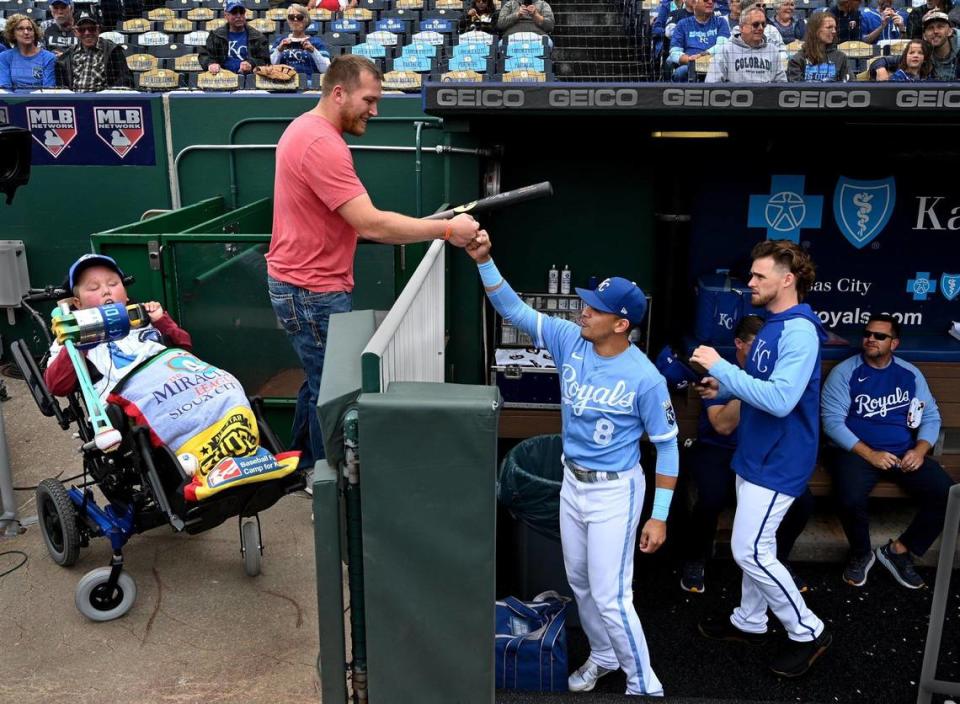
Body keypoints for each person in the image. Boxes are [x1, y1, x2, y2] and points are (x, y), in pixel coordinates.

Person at [466, 231, 679, 697]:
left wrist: (659, 516)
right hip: (573, 483)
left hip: (615, 491)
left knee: (611, 596)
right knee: (580, 585)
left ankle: (645, 685)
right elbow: (514, 311)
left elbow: (667, 447)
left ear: (621, 324)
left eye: (596, 308)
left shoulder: (645, 377)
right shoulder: (570, 341)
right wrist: (484, 260)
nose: (583, 310)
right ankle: (604, 656)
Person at [265, 55, 479, 477]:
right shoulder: (321, 143)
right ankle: (325, 482)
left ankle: (301, 466)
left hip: (303, 285)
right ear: (339, 92)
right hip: (311, 291)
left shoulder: (307, 130)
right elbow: (371, 223)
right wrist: (447, 230)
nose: (375, 111)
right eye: (370, 99)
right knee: (335, 394)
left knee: (317, 381)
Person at [690, 239, 831, 679]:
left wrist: (720, 367)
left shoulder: (800, 331)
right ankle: (749, 621)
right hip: (755, 453)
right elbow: (760, 381)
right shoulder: (774, 323)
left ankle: (809, 631)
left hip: (780, 460)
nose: (749, 282)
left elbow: (782, 400)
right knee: (758, 548)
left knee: (749, 549)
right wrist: (727, 388)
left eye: (758, 276)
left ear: (787, 280)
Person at [677, 315, 814, 594]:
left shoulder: (779, 376)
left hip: (761, 453)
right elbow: (722, 425)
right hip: (719, 449)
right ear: (739, 344)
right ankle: (696, 558)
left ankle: (778, 560)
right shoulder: (720, 371)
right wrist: (750, 388)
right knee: (710, 498)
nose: (764, 354)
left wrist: (763, 388)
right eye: (757, 346)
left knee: (803, 502)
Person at [821, 315, 954, 590]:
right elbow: (832, 421)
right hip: (856, 452)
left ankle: (899, 551)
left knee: (949, 495)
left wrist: (919, 449)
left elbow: (930, 416)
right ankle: (861, 553)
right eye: (867, 333)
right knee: (849, 497)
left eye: (880, 336)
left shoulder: (909, 373)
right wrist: (870, 454)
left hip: (903, 451)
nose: (870, 339)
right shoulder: (846, 372)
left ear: (894, 343)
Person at [43, 254, 192, 400]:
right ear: (78, 303)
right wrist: (76, 345)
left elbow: (185, 347)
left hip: (178, 384)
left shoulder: (145, 317)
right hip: (130, 405)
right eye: (94, 288)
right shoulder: (72, 336)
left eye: (113, 284)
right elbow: (57, 387)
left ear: (126, 295)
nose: (106, 291)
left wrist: (161, 321)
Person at [54, 9, 133, 91]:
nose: (87, 33)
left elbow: (125, 81)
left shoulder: (113, 51)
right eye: (82, 30)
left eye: (91, 28)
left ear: (98, 29)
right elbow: (62, 87)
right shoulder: (67, 56)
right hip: (75, 100)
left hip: (103, 101)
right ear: (75, 32)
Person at [706, 4, 787, 82]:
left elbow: (782, 84)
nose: (761, 28)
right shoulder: (726, 50)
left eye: (763, 24)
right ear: (741, 28)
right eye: (755, 25)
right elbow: (712, 84)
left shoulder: (772, 51)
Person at [199, 0, 270, 76]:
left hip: (250, 79)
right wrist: (211, 64)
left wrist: (251, 63)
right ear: (226, 15)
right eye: (234, 12)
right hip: (222, 78)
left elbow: (265, 60)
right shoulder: (215, 35)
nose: (239, 16)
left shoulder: (258, 37)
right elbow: (204, 55)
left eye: (241, 12)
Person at [668, 0, 731, 81]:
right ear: (694, 4)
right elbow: (674, 52)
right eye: (705, 0)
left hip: (714, 64)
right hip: (690, 65)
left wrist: (702, 56)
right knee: (681, 72)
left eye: (713, 0)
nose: (710, 2)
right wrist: (691, 60)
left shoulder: (721, 22)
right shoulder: (682, 24)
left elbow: (723, 46)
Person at [270, 4, 330, 78]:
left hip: (309, 84)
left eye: (299, 17)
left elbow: (326, 69)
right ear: (288, 21)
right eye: (291, 17)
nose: (295, 20)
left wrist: (313, 51)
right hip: (283, 84)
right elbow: (270, 66)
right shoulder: (279, 41)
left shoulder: (316, 42)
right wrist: (279, 50)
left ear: (306, 20)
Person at [787, 12, 850, 80]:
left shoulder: (840, 57)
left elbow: (850, 86)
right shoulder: (797, 60)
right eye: (829, 27)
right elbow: (795, 89)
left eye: (835, 28)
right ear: (815, 30)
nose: (834, 31)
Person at [0, 15, 56, 89]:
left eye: (29, 29)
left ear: (34, 33)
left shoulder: (48, 57)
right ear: (13, 34)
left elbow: (48, 90)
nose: (26, 32)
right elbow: (5, 88)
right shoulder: (4, 57)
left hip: (40, 100)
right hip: (13, 100)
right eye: (20, 29)